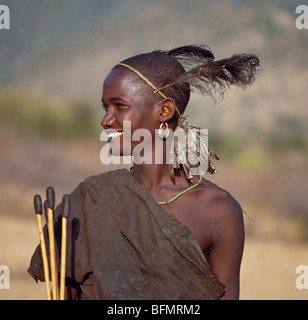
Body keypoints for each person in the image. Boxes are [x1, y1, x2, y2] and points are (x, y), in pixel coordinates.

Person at [28, 45, 260, 300]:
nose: (105, 120)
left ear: (164, 111)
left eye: (119, 106)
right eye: (105, 107)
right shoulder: (90, 200)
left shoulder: (219, 209)